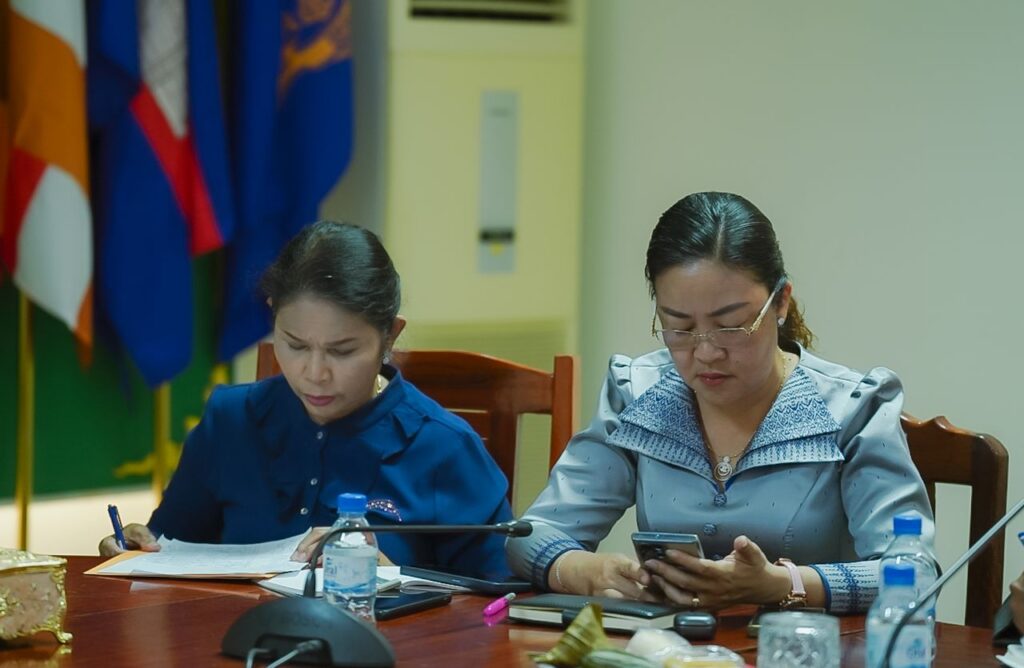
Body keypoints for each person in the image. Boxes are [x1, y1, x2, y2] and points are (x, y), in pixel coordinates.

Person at [506, 191, 934, 614]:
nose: (706, 352)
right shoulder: (639, 393)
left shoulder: (853, 408)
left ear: (781, 302)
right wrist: (587, 572)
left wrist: (782, 584)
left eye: (730, 326)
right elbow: (529, 534)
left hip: (805, 647)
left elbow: (915, 575)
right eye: (679, 327)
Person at [99, 221, 512, 575]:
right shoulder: (230, 421)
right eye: (295, 345)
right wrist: (134, 547)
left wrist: (392, 578)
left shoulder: (444, 447)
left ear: (390, 335)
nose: (315, 374)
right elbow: (171, 547)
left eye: (342, 351)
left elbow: (497, 606)